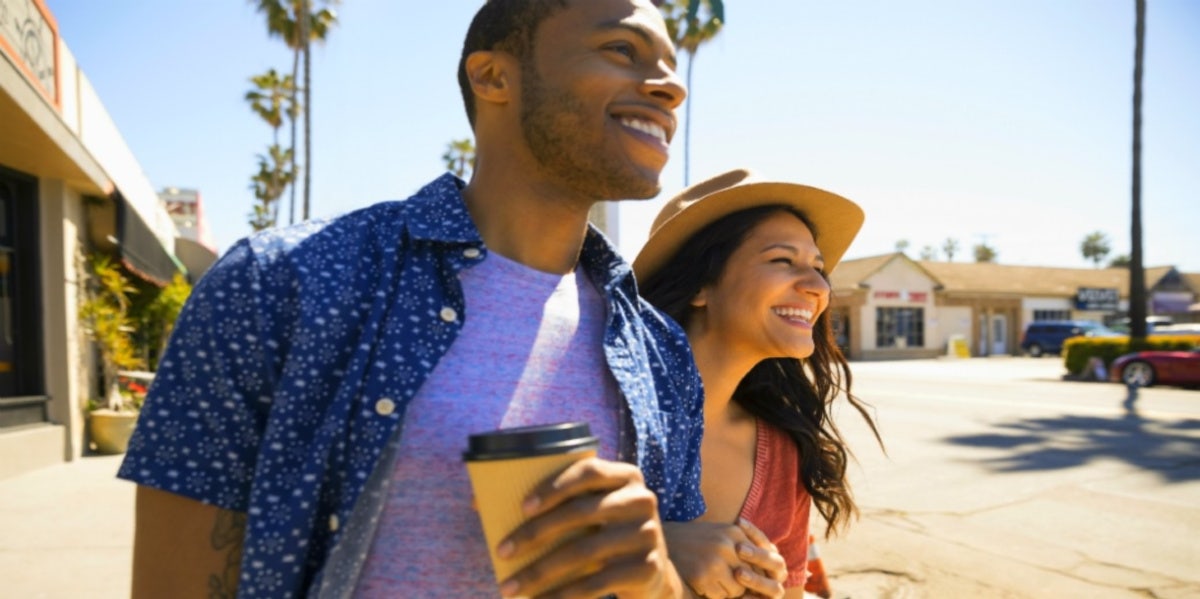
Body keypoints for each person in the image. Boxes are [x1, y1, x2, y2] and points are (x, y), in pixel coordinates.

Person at [118, 1, 709, 597]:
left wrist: (662, 582)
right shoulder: (279, 285)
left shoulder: (660, 351)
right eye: (623, 51)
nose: (671, 89)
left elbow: (676, 566)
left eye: (671, 65)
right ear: (493, 77)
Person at [636, 169, 883, 598]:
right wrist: (657, 548)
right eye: (782, 261)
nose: (817, 287)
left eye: (818, 268)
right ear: (700, 285)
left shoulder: (784, 453)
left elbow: (791, 590)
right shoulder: (602, 411)